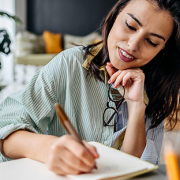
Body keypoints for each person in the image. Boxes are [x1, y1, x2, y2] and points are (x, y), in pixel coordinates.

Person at [0, 0, 180, 175]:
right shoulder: (69, 64)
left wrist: (136, 106)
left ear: (162, 49)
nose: (133, 45)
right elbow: (5, 128)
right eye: (130, 26)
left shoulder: (158, 86)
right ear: (114, 16)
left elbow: (137, 168)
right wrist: (47, 149)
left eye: (151, 42)